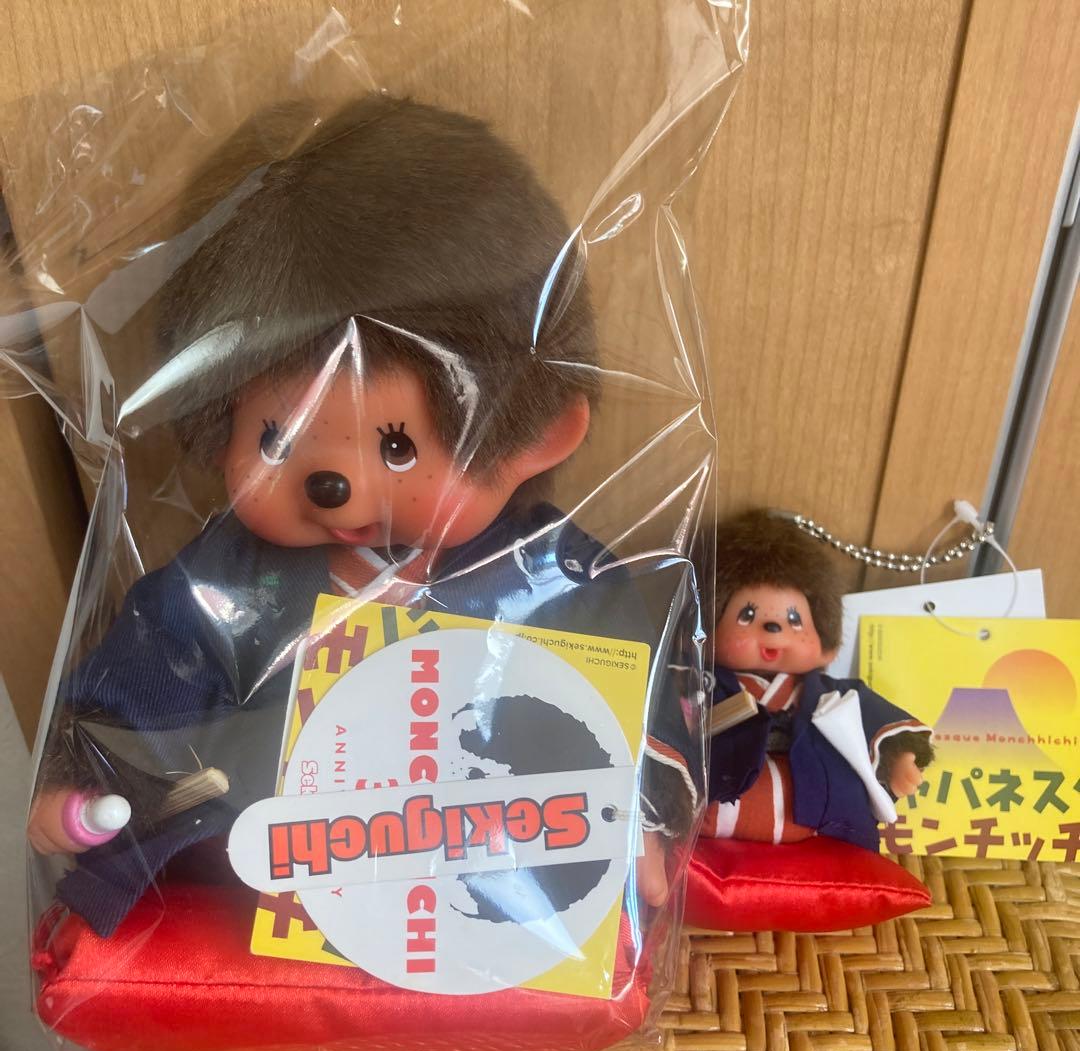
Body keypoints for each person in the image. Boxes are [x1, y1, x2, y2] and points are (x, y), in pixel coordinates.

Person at [27, 94, 701, 937]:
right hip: (267, 886)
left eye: (397, 445)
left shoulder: (552, 578)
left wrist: (637, 811)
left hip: (491, 892)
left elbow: (630, 699)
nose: (335, 486)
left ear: (534, 435)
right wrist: (90, 773)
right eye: (276, 438)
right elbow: (153, 676)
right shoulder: (233, 582)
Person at [703, 509, 933, 852]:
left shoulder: (832, 698)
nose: (774, 629)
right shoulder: (703, 686)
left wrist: (895, 758)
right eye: (747, 615)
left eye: (794, 619)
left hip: (813, 820)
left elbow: (874, 719)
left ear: (824, 641)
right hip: (717, 813)